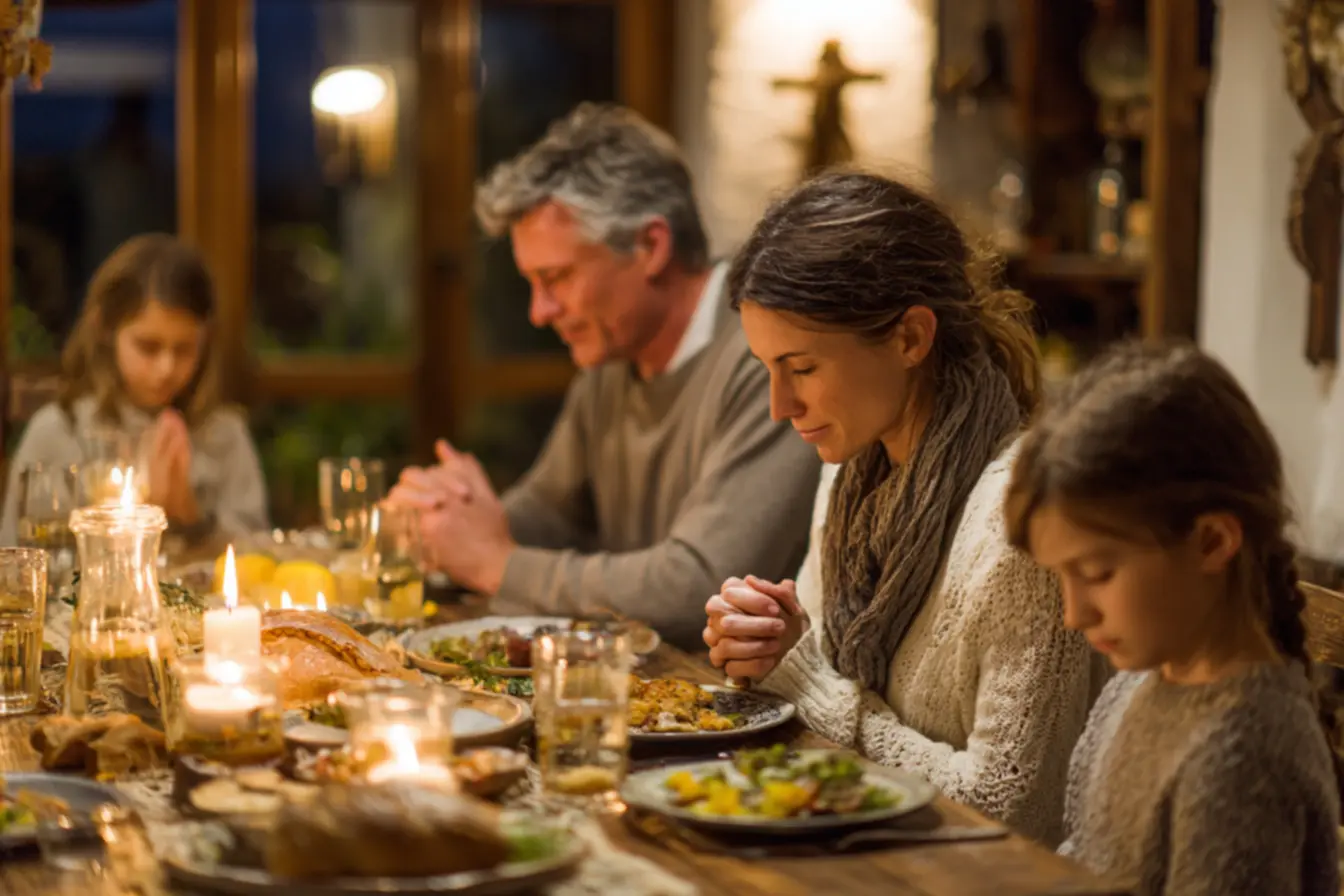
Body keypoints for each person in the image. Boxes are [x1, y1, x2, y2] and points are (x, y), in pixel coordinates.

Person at [703, 171, 1107, 845]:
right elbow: (812, 677)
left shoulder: (1022, 524)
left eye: (801, 369)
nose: (780, 406)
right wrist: (766, 644)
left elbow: (1011, 808)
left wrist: (801, 680)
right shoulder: (854, 474)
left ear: (912, 338)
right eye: (767, 369)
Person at [387, 103, 819, 649]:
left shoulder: (765, 358)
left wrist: (498, 567)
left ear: (650, 246)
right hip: (630, 692)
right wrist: (444, 520)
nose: (539, 312)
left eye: (557, 278)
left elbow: (701, 588)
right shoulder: (612, 360)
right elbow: (547, 512)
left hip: (740, 714)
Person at [1005, 341, 1341, 895]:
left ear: (1211, 541)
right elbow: (1086, 861)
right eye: (1061, 577)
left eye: (1096, 572)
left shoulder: (1240, 761)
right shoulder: (1139, 682)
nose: (1073, 613)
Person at [0, 233, 268, 544]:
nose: (166, 368)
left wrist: (192, 520)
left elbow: (258, 559)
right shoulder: (60, 432)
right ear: (105, 330)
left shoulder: (223, 434)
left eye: (183, 349)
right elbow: (15, 557)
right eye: (148, 347)